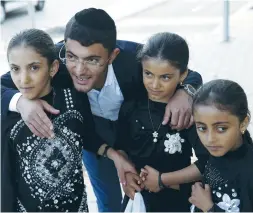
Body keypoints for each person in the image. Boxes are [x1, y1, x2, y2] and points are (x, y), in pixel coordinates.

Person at [1, 8, 203, 212]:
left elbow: (189, 74)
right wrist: (20, 102)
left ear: (112, 55)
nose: (79, 70)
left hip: (137, 127)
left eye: (92, 60)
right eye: (72, 57)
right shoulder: (56, 61)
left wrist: (186, 92)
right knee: (107, 197)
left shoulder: (135, 59)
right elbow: (5, 83)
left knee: (143, 190)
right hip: (92, 131)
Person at [0, 29, 135, 212]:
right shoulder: (9, 116)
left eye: (34, 67)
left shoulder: (73, 97)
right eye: (15, 69)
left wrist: (114, 155)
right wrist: (20, 102)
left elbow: (87, 134)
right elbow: (5, 183)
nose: (23, 79)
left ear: (53, 68)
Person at [114, 32, 208, 212]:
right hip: (137, 199)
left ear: (183, 75)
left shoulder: (187, 114)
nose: (155, 85)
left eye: (165, 77)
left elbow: (207, 164)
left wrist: (162, 180)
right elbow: (121, 147)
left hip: (178, 201)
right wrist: (128, 175)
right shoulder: (130, 105)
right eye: (148, 74)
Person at [141, 79, 253, 212]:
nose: (210, 139)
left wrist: (209, 208)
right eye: (202, 128)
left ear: (243, 123)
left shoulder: (248, 170)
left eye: (221, 129)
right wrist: (162, 182)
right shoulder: (219, 154)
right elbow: (211, 187)